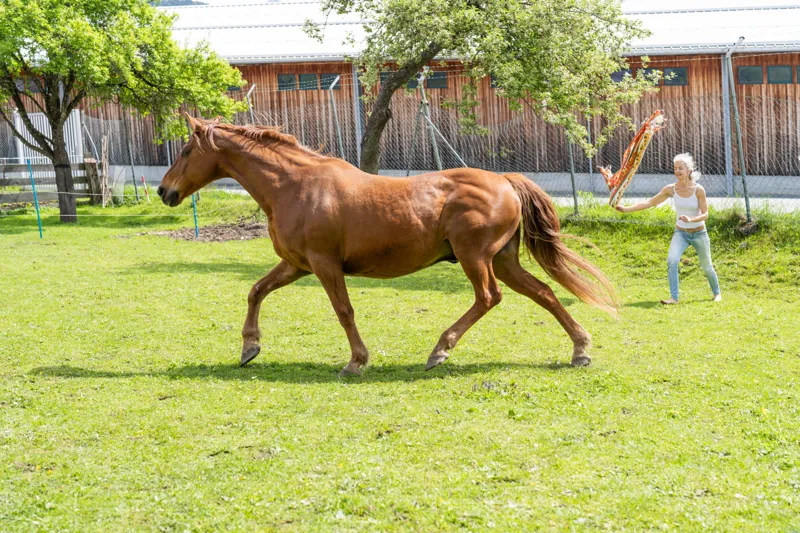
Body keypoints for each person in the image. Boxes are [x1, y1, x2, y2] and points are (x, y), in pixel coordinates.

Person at [615, 153, 721, 305]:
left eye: (681, 168)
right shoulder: (671, 189)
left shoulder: (699, 190)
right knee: (672, 260)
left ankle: (717, 293)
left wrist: (692, 219)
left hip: (699, 233)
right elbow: (650, 203)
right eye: (675, 168)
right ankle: (674, 298)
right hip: (681, 233)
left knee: (707, 266)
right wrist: (625, 209)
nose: (677, 171)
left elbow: (705, 214)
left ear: (689, 170)